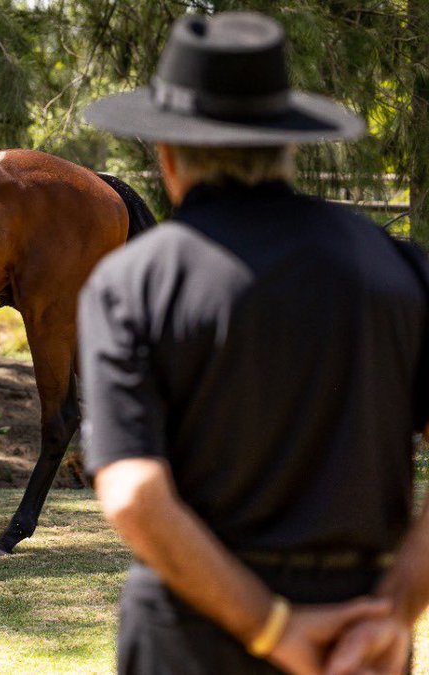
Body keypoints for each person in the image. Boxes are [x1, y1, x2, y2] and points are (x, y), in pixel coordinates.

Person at [79, 11, 429, 675]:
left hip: (191, 637)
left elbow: (133, 493)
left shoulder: (133, 282)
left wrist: (273, 628)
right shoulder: (400, 269)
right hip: (359, 638)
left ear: (168, 155)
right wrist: (391, 611)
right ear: (288, 145)